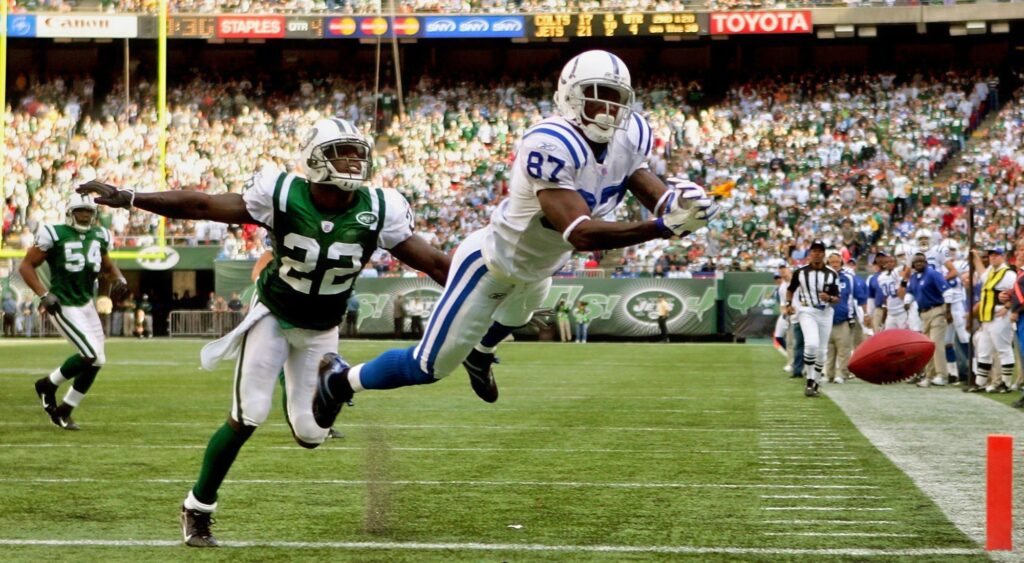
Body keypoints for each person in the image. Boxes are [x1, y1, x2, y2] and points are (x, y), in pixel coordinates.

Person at [78, 116, 450, 548]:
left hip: (320, 328)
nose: (352, 161)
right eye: (340, 152)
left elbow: (437, 264)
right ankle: (197, 508)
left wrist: (482, 299)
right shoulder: (281, 193)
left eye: (357, 152)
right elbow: (200, 206)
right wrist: (130, 197)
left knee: (311, 435)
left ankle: (333, 383)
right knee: (249, 414)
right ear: (313, 159)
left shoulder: (379, 208)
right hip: (272, 315)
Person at [312, 50, 717, 422]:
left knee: (517, 315)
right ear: (570, 96)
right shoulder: (551, 143)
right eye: (597, 95)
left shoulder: (629, 136)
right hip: (490, 265)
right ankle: (340, 379)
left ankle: (481, 354)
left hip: (537, 268)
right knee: (427, 367)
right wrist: (661, 227)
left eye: (615, 96)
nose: (608, 108)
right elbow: (580, 233)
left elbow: (638, 177)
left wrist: (676, 205)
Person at [19, 193, 129, 430]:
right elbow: (26, 265)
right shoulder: (54, 233)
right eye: (80, 210)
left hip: (85, 303)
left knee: (98, 360)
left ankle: (65, 409)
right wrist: (43, 294)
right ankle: (47, 384)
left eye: (89, 212)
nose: (85, 215)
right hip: (63, 303)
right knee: (89, 354)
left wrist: (119, 279)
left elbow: (108, 266)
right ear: (70, 212)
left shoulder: (100, 235)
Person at [783, 240, 841, 397]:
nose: (817, 253)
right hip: (807, 310)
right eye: (814, 251)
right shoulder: (800, 272)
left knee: (822, 351)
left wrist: (829, 298)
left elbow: (837, 298)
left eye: (820, 251)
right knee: (811, 344)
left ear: (824, 254)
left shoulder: (832, 273)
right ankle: (809, 380)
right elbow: (790, 290)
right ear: (810, 253)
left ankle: (816, 382)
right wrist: (788, 304)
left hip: (826, 313)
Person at [900, 252, 951, 387]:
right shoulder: (914, 277)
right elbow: (910, 291)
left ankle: (942, 375)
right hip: (923, 314)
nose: (919, 264)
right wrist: (907, 301)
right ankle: (929, 376)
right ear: (912, 265)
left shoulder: (933, 274)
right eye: (916, 262)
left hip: (937, 310)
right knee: (927, 346)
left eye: (922, 261)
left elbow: (947, 291)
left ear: (926, 262)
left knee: (936, 343)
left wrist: (949, 311)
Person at [971, 248, 1016, 393]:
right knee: (984, 350)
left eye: (996, 255)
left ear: (1003, 257)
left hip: (999, 313)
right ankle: (980, 382)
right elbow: (982, 272)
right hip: (987, 315)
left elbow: (1017, 291)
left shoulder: (1008, 274)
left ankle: (1006, 383)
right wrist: (976, 257)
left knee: (1003, 349)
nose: (993, 258)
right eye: (991, 256)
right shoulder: (991, 272)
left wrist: (1008, 306)